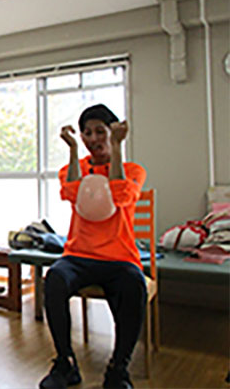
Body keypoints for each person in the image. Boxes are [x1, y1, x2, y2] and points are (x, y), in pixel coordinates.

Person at [39, 105, 147, 389]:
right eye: (87, 133)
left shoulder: (133, 171)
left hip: (120, 258)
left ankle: (118, 369)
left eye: (100, 131)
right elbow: (72, 193)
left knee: (134, 285)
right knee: (54, 278)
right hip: (78, 255)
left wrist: (117, 148)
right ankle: (65, 364)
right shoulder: (73, 168)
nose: (93, 138)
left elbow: (121, 196)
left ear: (113, 132)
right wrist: (73, 149)